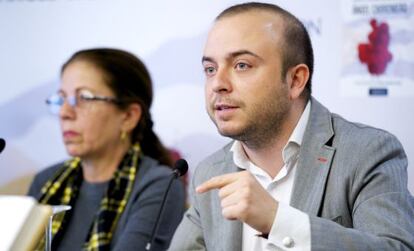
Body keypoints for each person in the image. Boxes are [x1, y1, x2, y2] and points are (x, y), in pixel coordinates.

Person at [169, 2, 414, 250]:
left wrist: (279, 221)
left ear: (295, 80)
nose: (217, 84)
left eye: (242, 65)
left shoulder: (367, 152)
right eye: (210, 69)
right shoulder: (210, 172)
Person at [28, 48, 185, 251]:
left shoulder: (160, 185)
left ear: (128, 116)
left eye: (84, 98)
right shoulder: (45, 182)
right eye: (61, 99)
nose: (65, 112)